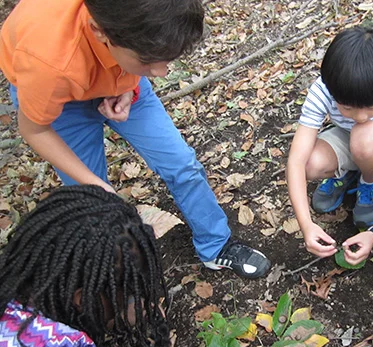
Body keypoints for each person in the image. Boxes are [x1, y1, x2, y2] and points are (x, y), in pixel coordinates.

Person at [0, 0, 270, 279]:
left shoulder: (140, 29)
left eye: (167, 59)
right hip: (62, 103)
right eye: (149, 61)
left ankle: (216, 245)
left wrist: (128, 86)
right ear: (100, 32)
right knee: (94, 203)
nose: (163, 72)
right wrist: (96, 185)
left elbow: (145, 54)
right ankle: (117, 275)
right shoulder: (48, 63)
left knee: (180, 163)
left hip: (121, 61)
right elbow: (35, 130)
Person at [0, 185, 256, 347]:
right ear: (82, 299)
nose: (135, 300)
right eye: (126, 294)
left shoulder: (16, 291)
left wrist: (117, 310)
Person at [286, 26, 373, 265]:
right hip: (349, 139)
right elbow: (296, 160)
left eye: (371, 107)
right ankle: (349, 173)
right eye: (347, 107)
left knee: (365, 135)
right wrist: (306, 224)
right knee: (310, 161)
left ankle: (372, 181)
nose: (360, 116)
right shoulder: (324, 90)